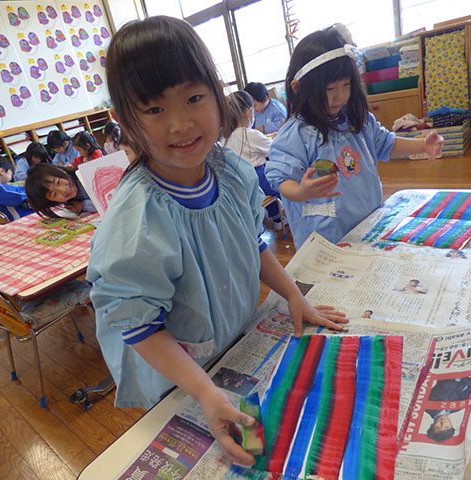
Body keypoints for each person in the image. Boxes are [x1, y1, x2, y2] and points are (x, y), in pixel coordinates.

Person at [86, 16, 348, 466]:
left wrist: (292, 294)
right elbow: (139, 327)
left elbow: (252, 242)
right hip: (181, 373)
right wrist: (205, 392)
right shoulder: (137, 222)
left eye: (193, 98)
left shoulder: (228, 170)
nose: (180, 124)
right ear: (124, 120)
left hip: (235, 341)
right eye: (154, 110)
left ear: (217, 92)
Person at [266, 26, 444, 250]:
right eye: (329, 88)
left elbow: (385, 143)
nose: (340, 96)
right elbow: (282, 180)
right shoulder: (296, 134)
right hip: (326, 239)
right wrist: (303, 192)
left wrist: (422, 145)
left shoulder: (356, 118)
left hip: (368, 226)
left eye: (346, 84)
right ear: (299, 88)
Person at [225, 90, 284, 230]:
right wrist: (276, 138)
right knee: (280, 185)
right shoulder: (251, 135)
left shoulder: (225, 136)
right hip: (257, 178)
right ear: (249, 112)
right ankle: (282, 218)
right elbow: (274, 150)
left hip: (237, 183)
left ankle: (272, 218)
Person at [25, 163, 96, 217]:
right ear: (52, 201)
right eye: (54, 194)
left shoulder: (87, 177)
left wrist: (83, 205)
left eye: (58, 182)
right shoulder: (72, 201)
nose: (63, 190)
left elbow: (102, 204)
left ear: (62, 172)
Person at [425, 376, 471, 442]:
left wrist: (462, 378)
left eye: (438, 427)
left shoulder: (428, 407)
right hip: (466, 376)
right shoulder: (458, 408)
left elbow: (445, 386)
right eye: (447, 427)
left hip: (449, 374)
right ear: (451, 425)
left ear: (432, 425)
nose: (443, 423)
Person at [0, 155, 33, 222]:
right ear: (2, 171)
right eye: (11, 173)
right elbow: (18, 196)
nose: (12, 175)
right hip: (17, 219)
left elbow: (16, 189)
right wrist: (33, 189)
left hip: (18, 216)